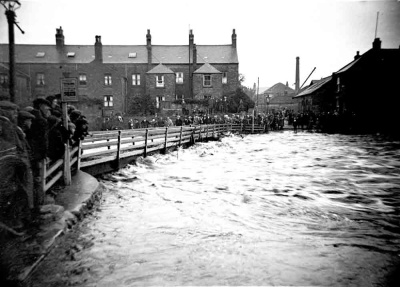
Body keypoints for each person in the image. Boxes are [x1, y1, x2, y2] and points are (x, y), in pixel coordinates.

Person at [27, 98, 51, 209]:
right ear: (41, 106)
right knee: (38, 179)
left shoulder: (30, 115)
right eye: (46, 108)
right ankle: (38, 203)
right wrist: (44, 154)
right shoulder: (41, 120)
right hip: (37, 154)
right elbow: (43, 140)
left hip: (29, 153)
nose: (48, 110)